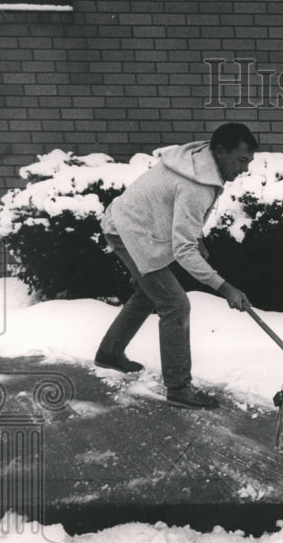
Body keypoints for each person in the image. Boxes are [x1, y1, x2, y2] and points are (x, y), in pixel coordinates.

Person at [94, 123, 255, 409]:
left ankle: (110, 353)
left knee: (148, 293)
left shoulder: (200, 161)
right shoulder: (197, 185)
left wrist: (196, 237)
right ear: (220, 151)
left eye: (248, 161)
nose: (244, 169)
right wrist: (225, 287)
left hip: (133, 223)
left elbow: (180, 217)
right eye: (241, 160)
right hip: (129, 231)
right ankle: (179, 388)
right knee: (176, 305)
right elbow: (183, 251)